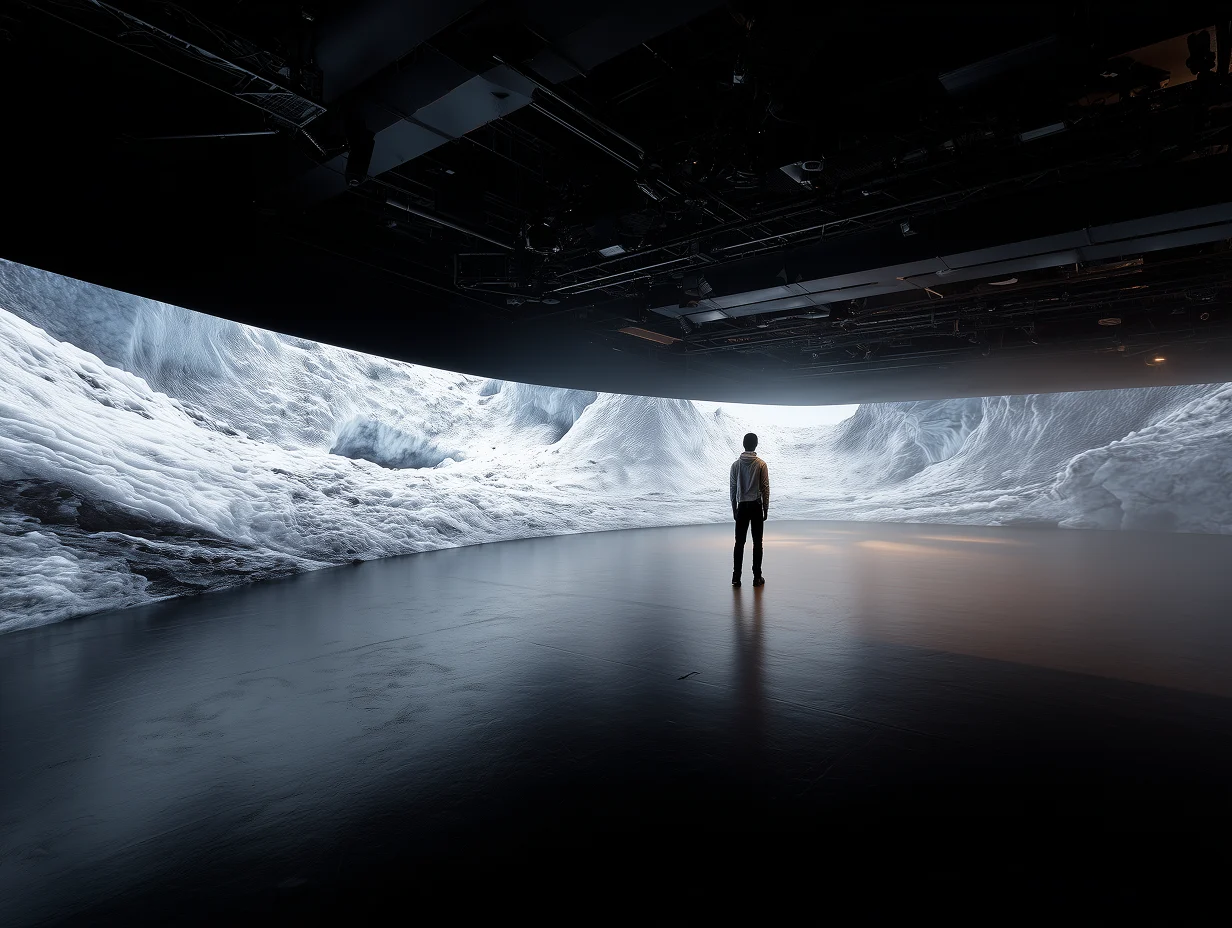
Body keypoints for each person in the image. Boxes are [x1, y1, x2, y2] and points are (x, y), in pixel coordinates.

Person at [730, 432, 769, 588]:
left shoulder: (735, 465)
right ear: (756, 445)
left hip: (742, 507)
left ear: (744, 444)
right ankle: (757, 577)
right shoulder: (761, 464)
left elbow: (733, 489)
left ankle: (736, 577)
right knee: (757, 543)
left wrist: (734, 508)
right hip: (756, 506)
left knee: (739, 543)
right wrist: (765, 508)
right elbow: (765, 488)